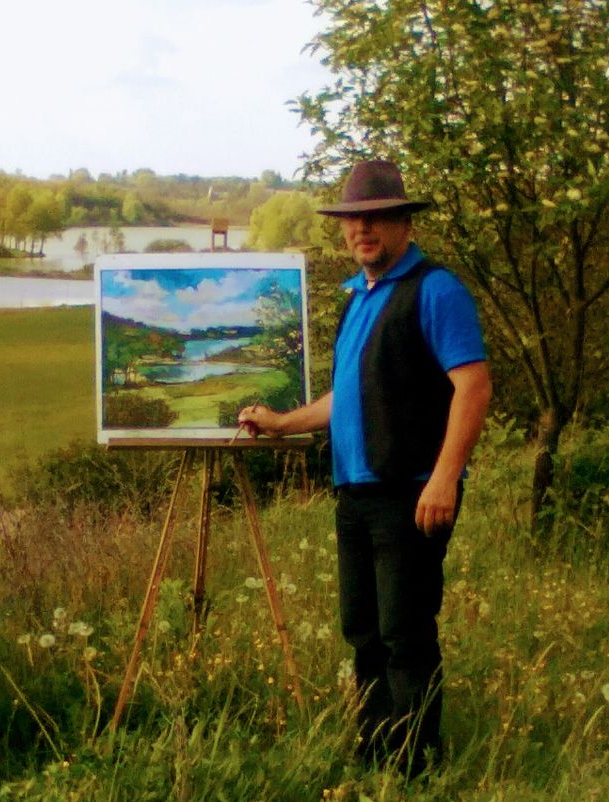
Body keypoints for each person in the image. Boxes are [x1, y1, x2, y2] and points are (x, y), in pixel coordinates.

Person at [238, 160, 492, 776]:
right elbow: (348, 395)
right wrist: (281, 423)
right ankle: (375, 754)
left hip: (411, 492)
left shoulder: (435, 289)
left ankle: (416, 769)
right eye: (353, 220)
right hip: (355, 493)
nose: (362, 230)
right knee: (364, 632)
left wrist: (444, 477)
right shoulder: (359, 296)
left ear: (404, 223)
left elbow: (474, 385)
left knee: (405, 633)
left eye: (376, 218)